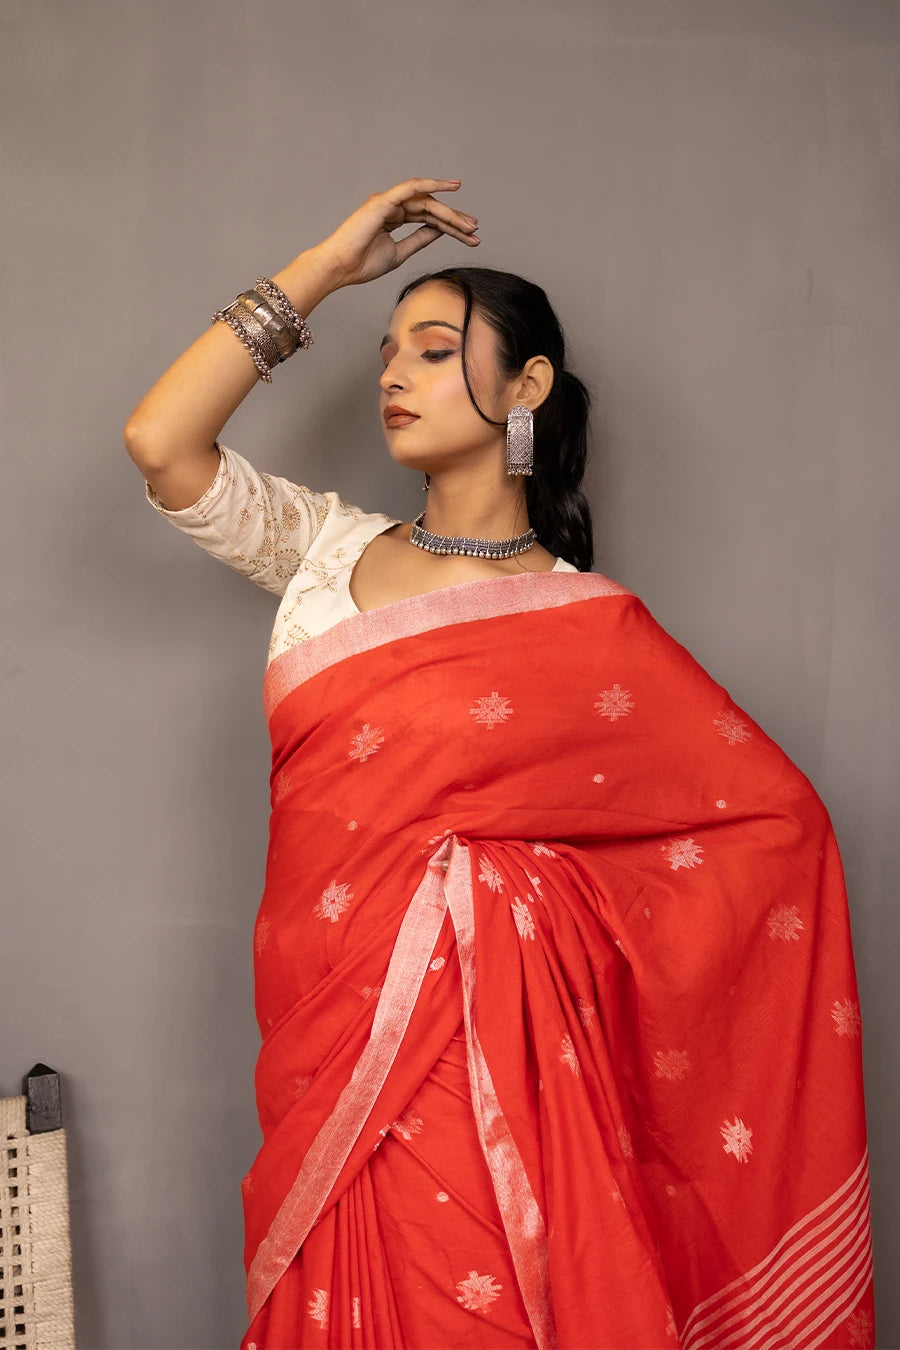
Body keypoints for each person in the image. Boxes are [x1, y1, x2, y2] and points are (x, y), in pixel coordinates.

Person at [124, 178, 875, 1350]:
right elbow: (161, 444)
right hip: (324, 1044)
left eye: (433, 351)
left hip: (484, 1065)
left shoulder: (584, 623)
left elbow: (775, 826)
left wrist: (511, 900)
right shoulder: (323, 552)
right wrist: (324, 269)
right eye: (387, 354)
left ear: (527, 388)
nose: (393, 376)